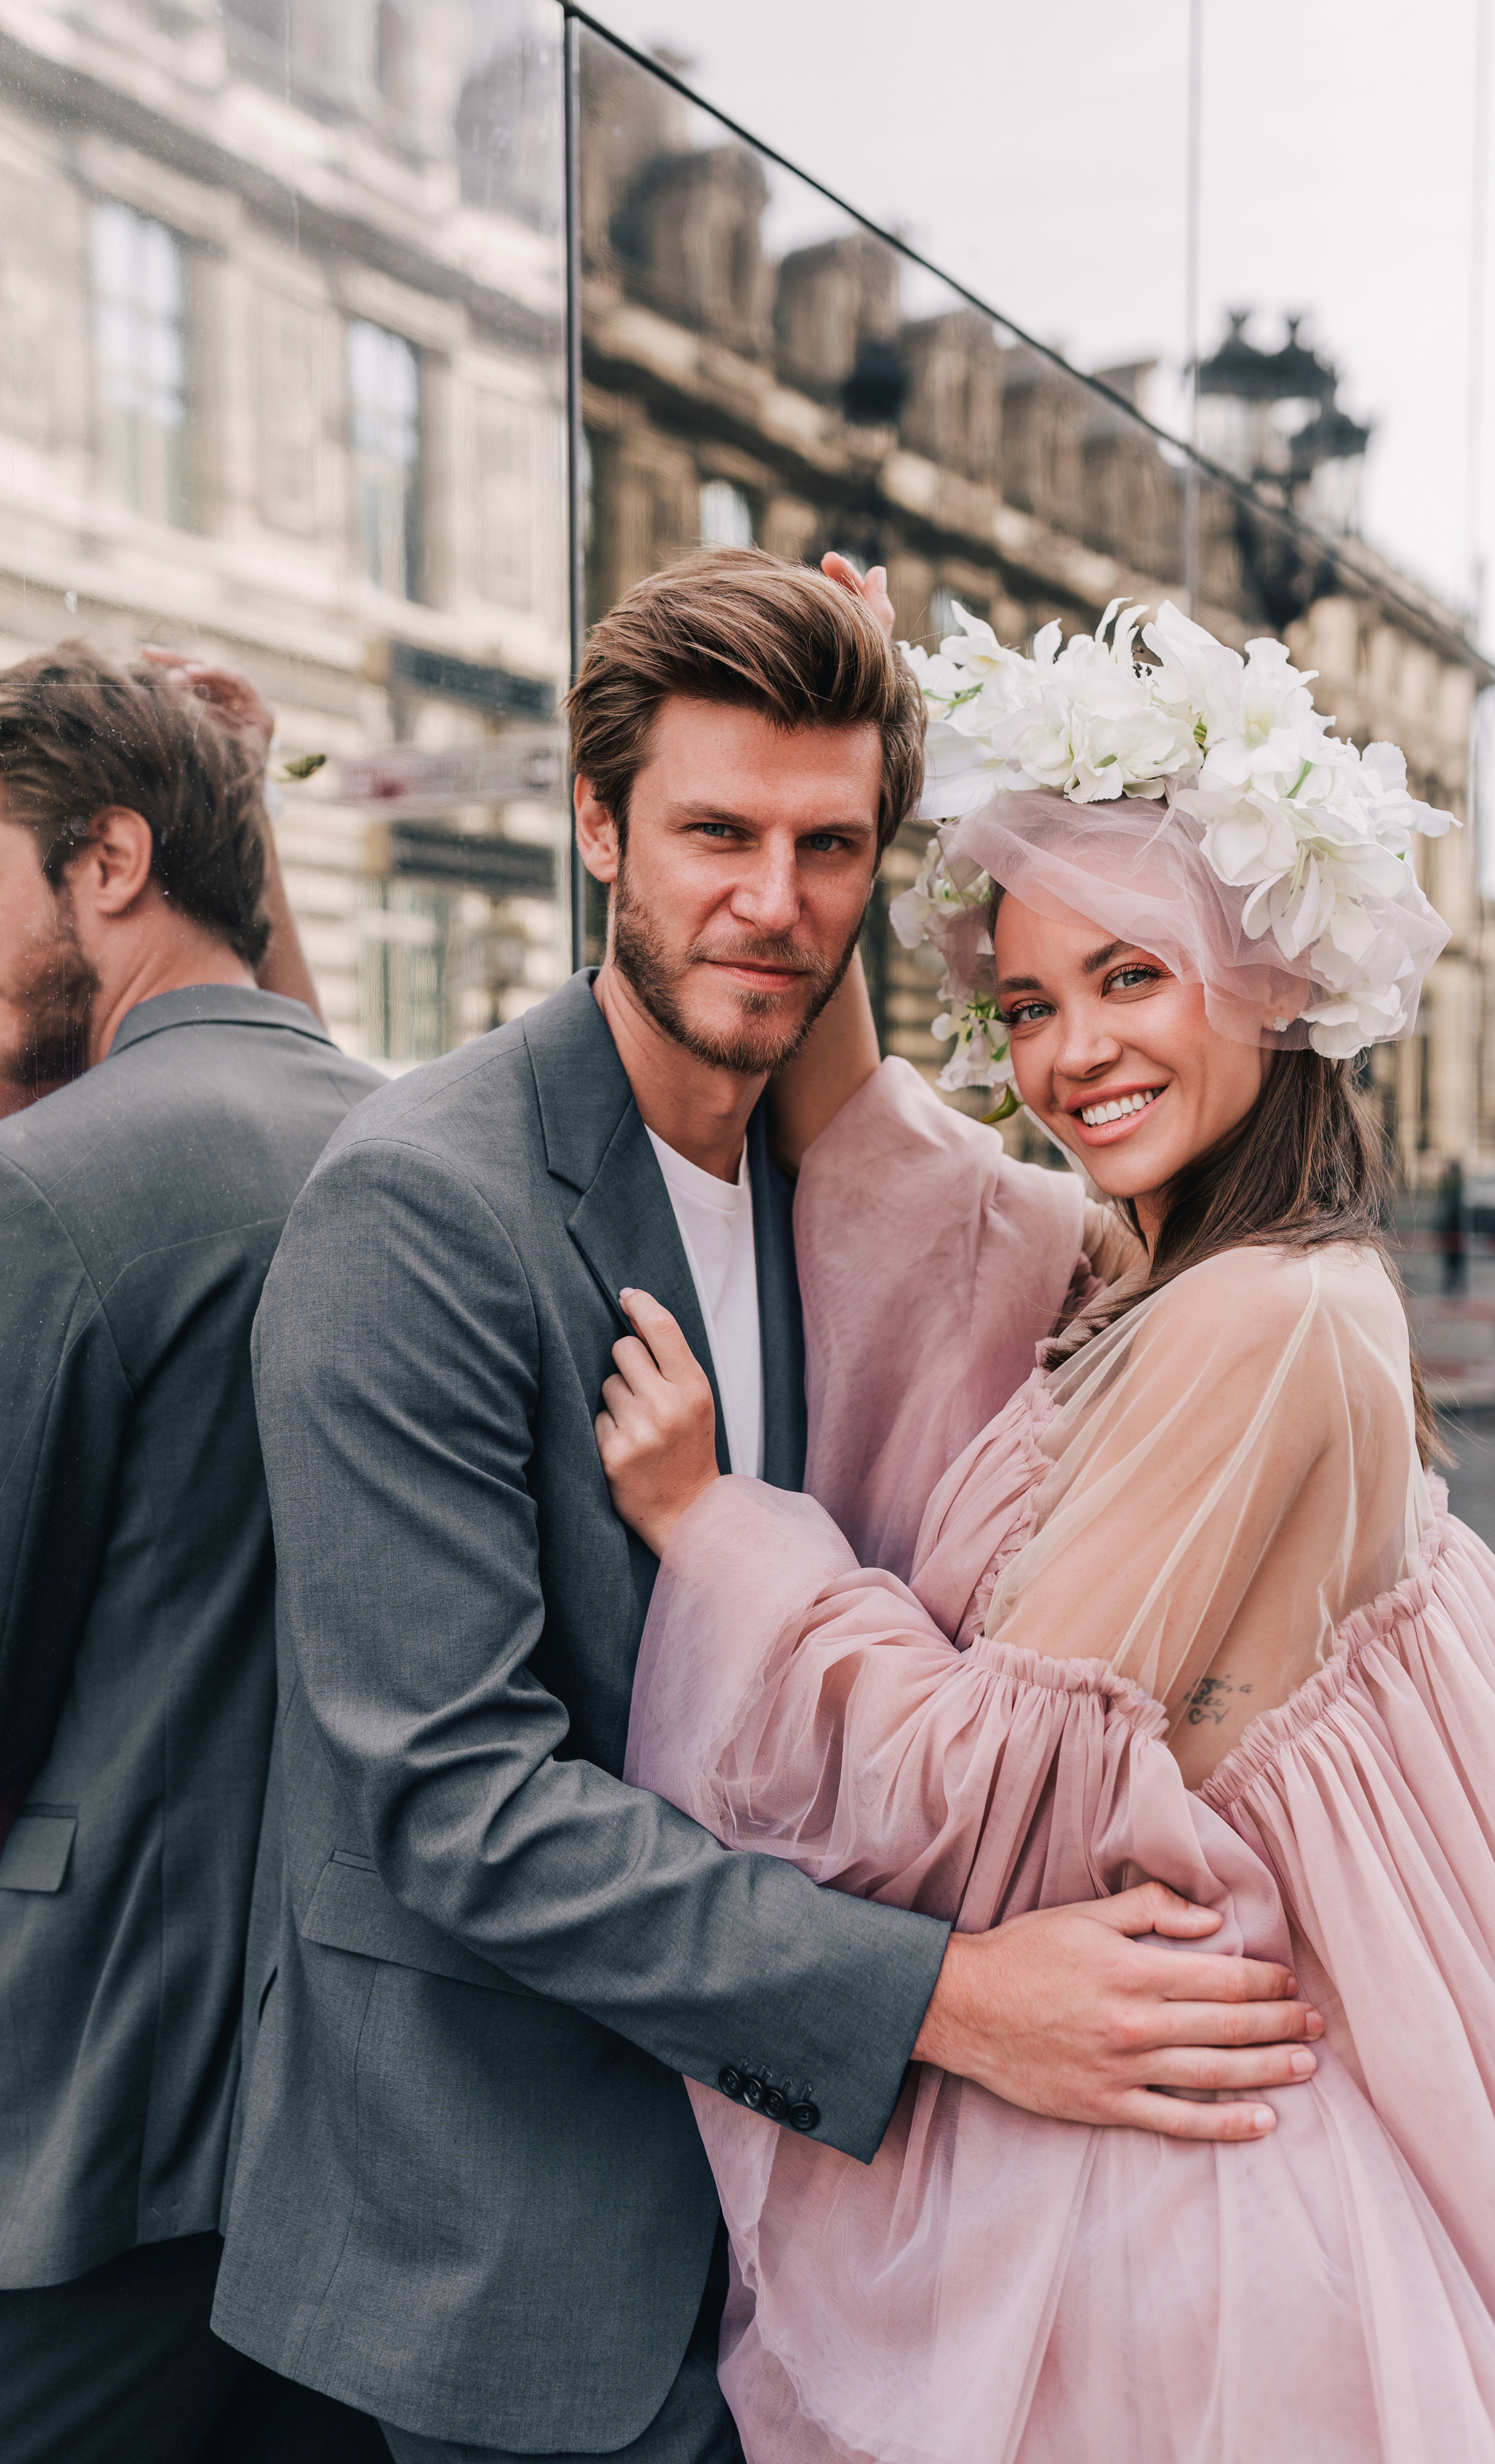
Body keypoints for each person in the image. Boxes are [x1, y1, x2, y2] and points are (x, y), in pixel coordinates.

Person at [212, 550, 1324, 2464]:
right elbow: (461, 1809)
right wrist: (953, 2002)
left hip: (829, 2242)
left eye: (830, 847)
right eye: (715, 831)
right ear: (595, 828)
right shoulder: (420, 1212)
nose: (772, 901)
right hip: (546, 2244)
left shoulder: (829, 1183)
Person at [598, 597, 1495, 2463]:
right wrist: (869, 790)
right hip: (1193, 2136)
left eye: (1132, 978)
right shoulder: (1156, 1268)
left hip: (1197, 2216)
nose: (1074, 1051)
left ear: (1262, 976)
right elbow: (871, 1145)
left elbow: (971, 1784)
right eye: (1028, 1002)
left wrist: (714, 1526)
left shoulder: (1267, 1319)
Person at [0, 644, 388, 2463]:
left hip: (74, 2145)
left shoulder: (50, 1189)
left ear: (109, 862)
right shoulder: (419, 1149)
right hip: (355, 2153)